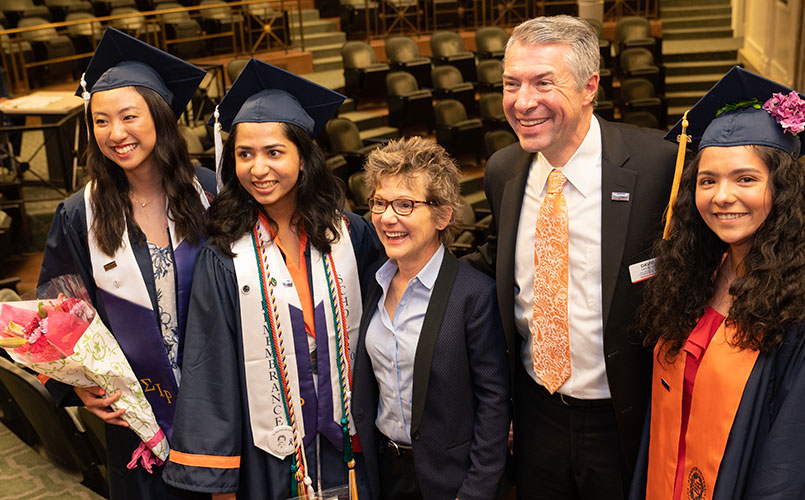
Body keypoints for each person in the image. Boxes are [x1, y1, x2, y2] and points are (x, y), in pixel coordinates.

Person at [461, 15, 677, 500]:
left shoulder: (656, 165)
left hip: (626, 418)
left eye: (543, 83)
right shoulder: (503, 170)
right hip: (537, 414)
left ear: (589, 87)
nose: (522, 102)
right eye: (511, 84)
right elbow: (498, 262)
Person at [630, 66, 805, 500]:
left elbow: (799, 470)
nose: (722, 196)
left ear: (783, 190)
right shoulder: (696, 278)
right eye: (707, 180)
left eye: (745, 179)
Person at [163, 59, 381, 500]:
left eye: (274, 152)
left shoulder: (351, 234)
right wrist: (219, 482)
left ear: (304, 157)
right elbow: (212, 368)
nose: (258, 168)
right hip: (270, 449)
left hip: (352, 439)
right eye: (245, 154)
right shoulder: (224, 255)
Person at [37, 27, 213, 499]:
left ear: (159, 116)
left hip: (223, 407)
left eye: (129, 116)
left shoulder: (213, 195)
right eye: (100, 120)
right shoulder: (80, 214)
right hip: (138, 419)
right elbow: (57, 314)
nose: (116, 134)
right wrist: (79, 387)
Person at [351, 137, 510, 500]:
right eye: (379, 203)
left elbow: (494, 404)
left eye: (405, 204)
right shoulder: (371, 282)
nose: (387, 218)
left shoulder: (474, 295)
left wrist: (475, 491)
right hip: (386, 472)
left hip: (450, 482)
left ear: (443, 215)